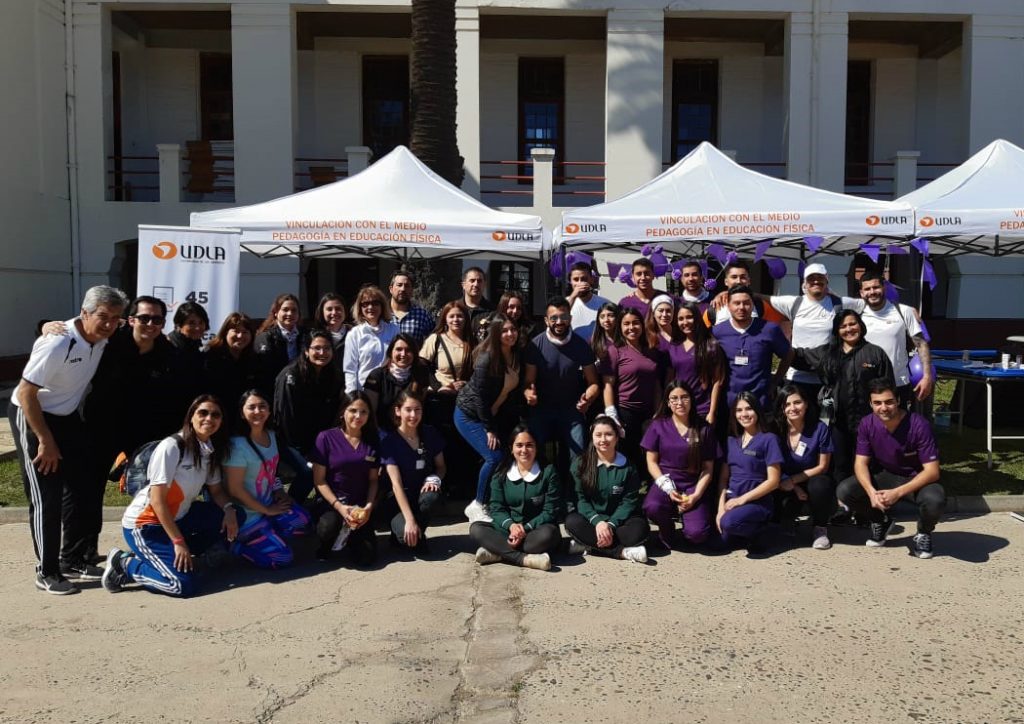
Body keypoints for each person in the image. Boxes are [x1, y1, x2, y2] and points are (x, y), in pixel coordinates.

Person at [10, 285, 127, 594]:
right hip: (34, 415)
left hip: (68, 417)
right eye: (103, 316)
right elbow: (26, 392)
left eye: (116, 318)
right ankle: (46, 571)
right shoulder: (58, 342)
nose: (109, 324)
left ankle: (72, 558)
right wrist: (45, 440)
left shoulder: (103, 336)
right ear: (85, 313)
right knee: (46, 497)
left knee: (81, 486)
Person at [103, 395, 240, 597]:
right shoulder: (173, 447)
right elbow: (157, 502)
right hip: (147, 525)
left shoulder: (209, 449)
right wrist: (178, 542)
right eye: (203, 413)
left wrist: (229, 510)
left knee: (237, 516)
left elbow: (217, 491)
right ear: (191, 417)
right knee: (183, 586)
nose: (209, 418)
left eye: (215, 415)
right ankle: (126, 564)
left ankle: (181, 557)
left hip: (179, 517)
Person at [835, 379, 944, 558]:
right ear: (870, 403)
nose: (883, 408)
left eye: (889, 402)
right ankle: (881, 521)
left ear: (898, 401)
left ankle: (923, 533)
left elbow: (932, 471)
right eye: (877, 403)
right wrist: (871, 493)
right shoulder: (867, 424)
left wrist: (897, 493)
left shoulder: (919, 425)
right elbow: (860, 463)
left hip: (916, 478)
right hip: (886, 475)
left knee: (935, 500)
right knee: (845, 491)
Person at [791, 309, 894, 481]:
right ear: (837, 331)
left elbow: (888, 388)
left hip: (868, 423)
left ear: (860, 325)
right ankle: (842, 504)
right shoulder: (828, 353)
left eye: (852, 324)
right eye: (843, 326)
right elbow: (800, 357)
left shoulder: (876, 353)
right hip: (836, 422)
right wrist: (774, 343)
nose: (849, 329)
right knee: (840, 466)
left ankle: (867, 501)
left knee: (868, 464)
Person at [224, 390, 310, 569]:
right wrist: (267, 510)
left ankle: (267, 534)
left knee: (303, 522)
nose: (258, 411)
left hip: (269, 504)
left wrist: (279, 491)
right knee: (283, 557)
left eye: (262, 406)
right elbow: (235, 490)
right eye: (251, 407)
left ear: (269, 410)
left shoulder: (270, 435)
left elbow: (270, 471)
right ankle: (235, 546)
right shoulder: (237, 445)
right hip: (248, 514)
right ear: (242, 412)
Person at [523, 297, 600, 484]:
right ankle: (540, 490)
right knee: (533, 449)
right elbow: (528, 382)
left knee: (579, 451)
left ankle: (575, 496)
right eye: (554, 318)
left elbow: (594, 383)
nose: (559, 322)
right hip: (542, 409)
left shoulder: (581, 345)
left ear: (570, 318)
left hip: (571, 411)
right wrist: (529, 394)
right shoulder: (536, 345)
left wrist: (587, 398)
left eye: (563, 317)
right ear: (546, 320)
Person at [455, 314, 522, 524]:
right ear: (495, 334)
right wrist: (489, 429)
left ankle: (494, 504)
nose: (510, 334)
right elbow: (480, 400)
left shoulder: (514, 355)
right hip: (469, 414)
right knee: (493, 457)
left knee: (502, 458)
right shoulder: (487, 359)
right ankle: (477, 504)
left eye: (513, 329)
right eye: (504, 331)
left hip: (492, 414)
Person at [641, 381, 720, 549]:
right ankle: (666, 529)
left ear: (691, 400)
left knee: (697, 535)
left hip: (693, 482)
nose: (679, 402)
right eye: (674, 398)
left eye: (684, 397)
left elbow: (708, 469)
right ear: (668, 403)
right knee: (652, 507)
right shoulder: (658, 425)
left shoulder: (703, 428)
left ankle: (692, 522)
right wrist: (665, 486)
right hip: (667, 479)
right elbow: (651, 461)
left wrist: (696, 495)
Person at [470, 425, 560, 571]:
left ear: (536, 448)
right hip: (508, 530)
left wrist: (523, 529)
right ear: (511, 448)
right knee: (476, 529)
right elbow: (496, 508)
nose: (524, 450)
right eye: (519, 445)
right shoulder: (501, 473)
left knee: (549, 535)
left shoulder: (549, 472)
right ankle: (524, 559)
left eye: (529, 445)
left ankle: (498, 553)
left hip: (535, 531)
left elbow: (550, 511)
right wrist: (511, 526)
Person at [765, 264, 858, 399]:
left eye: (820, 277)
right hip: (796, 378)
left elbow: (869, 304)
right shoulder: (793, 303)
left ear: (826, 280)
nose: (816, 281)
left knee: (829, 420)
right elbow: (761, 298)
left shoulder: (840, 303)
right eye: (811, 278)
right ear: (805, 283)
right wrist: (729, 293)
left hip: (829, 380)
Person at [565, 416, 650, 562]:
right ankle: (622, 552)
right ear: (592, 437)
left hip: (619, 522)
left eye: (608, 434)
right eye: (598, 435)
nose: (603, 439)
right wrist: (598, 522)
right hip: (591, 521)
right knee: (572, 521)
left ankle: (588, 546)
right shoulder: (580, 463)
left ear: (617, 438)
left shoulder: (628, 466)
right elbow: (580, 499)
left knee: (639, 530)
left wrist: (610, 525)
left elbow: (629, 501)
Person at [310, 392, 380, 566]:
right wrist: (340, 507)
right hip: (333, 503)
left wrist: (369, 506)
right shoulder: (325, 438)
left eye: (364, 412)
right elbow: (319, 480)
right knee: (329, 526)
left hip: (360, 507)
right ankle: (327, 544)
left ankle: (351, 539)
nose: (358, 416)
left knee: (366, 559)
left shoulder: (372, 441)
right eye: (353, 410)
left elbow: (373, 480)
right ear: (343, 412)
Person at [274, 330, 344, 502]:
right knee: (308, 472)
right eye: (317, 348)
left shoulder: (332, 374)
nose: (322, 353)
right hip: (289, 441)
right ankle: (290, 506)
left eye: (327, 348)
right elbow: (286, 419)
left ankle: (322, 506)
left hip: (316, 440)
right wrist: (307, 452)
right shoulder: (291, 375)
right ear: (306, 350)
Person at [848, 271, 933, 406]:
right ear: (862, 293)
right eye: (867, 289)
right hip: (865, 384)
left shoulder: (904, 311)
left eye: (876, 287)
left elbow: (921, 344)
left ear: (884, 288)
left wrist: (927, 376)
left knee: (898, 426)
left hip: (897, 383)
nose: (872, 292)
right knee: (866, 426)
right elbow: (833, 301)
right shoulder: (856, 314)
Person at [420, 301, 476, 497]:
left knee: (463, 443)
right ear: (445, 318)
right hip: (440, 400)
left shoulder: (471, 341)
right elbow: (422, 367)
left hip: (465, 400)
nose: (456, 320)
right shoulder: (435, 340)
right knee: (443, 443)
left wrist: (466, 384)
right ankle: (444, 484)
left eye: (460, 316)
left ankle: (461, 486)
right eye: (451, 316)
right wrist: (440, 386)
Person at [716, 392, 783, 552]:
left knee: (729, 523)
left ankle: (761, 530)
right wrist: (719, 510)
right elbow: (723, 479)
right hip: (731, 502)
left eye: (749, 409)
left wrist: (741, 500)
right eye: (739, 410)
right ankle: (742, 534)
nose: (744, 414)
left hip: (756, 502)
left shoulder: (769, 439)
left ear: (757, 411)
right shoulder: (731, 441)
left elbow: (774, 481)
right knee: (717, 543)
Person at [379, 391, 445, 552]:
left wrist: (435, 479)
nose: (413, 415)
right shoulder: (389, 441)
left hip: (421, 493)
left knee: (432, 497)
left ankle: (418, 534)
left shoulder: (429, 433)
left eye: (418, 410)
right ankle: (407, 533)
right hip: (397, 497)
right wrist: (409, 520)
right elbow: (396, 484)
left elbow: (441, 467)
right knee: (405, 538)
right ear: (397, 411)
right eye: (408, 409)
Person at [712, 285, 792, 415]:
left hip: (760, 402)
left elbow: (788, 353)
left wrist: (775, 381)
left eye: (746, 303)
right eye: (736, 303)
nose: (741, 307)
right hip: (729, 403)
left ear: (753, 305)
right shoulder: (718, 331)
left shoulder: (769, 329)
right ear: (728, 305)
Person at [773, 384, 834, 550]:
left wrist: (794, 481)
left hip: (810, 478)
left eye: (797, 402)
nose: (792, 408)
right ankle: (786, 522)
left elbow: (823, 466)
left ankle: (820, 529)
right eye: (787, 404)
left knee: (821, 484)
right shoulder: (775, 429)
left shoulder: (820, 428)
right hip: (781, 480)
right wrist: (791, 485)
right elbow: (769, 465)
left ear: (806, 404)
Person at [602, 307, 666, 465]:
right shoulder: (614, 351)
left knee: (650, 454)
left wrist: (658, 411)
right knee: (628, 454)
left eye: (636, 323)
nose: (631, 327)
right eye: (626, 324)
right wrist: (611, 413)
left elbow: (656, 383)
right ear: (620, 327)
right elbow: (608, 385)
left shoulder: (651, 351)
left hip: (649, 412)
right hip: (625, 411)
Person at [668, 302, 725, 427]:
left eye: (689, 317)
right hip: (680, 407)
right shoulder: (674, 346)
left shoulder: (710, 346)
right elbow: (670, 379)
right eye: (680, 319)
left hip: (703, 408)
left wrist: (712, 412)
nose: (685, 322)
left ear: (697, 318)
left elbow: (717, 381)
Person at [363, 333, 431, 430]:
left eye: (408, 350)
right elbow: (370, 412)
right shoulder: (377, 375)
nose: (403, 354)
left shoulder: (421, 374)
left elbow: (420, 407)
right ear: (391, 352)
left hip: (411, 432)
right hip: (383, 432)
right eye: (399, 349)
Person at [343, 284, 399, 393]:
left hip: (389, 390)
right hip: (364, 391)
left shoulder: (394, 330)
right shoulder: (354, 334)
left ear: (382, 306)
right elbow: (350, 369)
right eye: (365, 304)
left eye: (375, 303)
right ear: (360, 308)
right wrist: (353, 395)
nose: (370, 307)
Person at [203, 313, 262, 413]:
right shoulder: (211, 355)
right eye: (236, 331)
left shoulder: (254, 358)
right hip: (216, 413)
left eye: (245, 332)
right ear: (225, 333)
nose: (240, 336)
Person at [705, 260, 786, 327]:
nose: (739, 281)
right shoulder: (715, 306)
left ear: (749, 281)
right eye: (734, 277)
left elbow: (785, 320)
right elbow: (703, 335)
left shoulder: (760, 305)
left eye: (743, 277)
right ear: (726, 281)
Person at [254, 293, 308, 392]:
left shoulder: (306, 335)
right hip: (274, 390)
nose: (290, 313)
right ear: (276, 312)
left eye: (294, 310)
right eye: (285, 310)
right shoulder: (266, 337)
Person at [566, 261, 610, 341]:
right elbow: (560, 316)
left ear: (592, 280)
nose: (580, 283)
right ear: (570, 282)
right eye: (576, 279)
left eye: (584, 279)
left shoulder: (605, 304)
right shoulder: (566, 302)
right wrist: (573, 296)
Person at [388, 270, 435, 344]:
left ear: (412, 290)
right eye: (399, 285)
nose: (403, 289)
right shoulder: (381, 314)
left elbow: (435, 340)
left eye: (407, 286)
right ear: (391, 289)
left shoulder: (422, 315)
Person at [313, 293, 349, 372]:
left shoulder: (354, 334)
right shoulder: (314, 336)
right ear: (322, 312)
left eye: (338, 309)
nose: (334, 312)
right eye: (329, 309)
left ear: (344, 311)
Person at [589, 302, 619, 373]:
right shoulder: (593, 342)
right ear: (598, 320)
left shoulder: (625, 340)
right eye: (602, 317)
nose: (606, 320)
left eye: (610, 316)